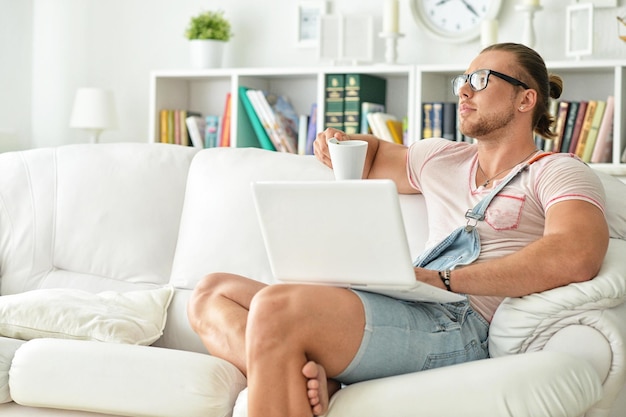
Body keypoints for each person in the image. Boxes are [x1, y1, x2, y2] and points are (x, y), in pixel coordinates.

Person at [187, 43, 609, 417]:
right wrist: (338, 140)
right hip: (400, 298)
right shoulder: (438, 158)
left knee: (277, 307)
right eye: (462, 80)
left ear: (526, 99)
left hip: (458, 323)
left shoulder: (558, 171)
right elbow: (371, 154)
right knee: (211, 292)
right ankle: (298, 376)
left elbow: (575, 254)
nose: (463, 90)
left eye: (480, 80)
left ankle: (294, 366)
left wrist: (443, 278)